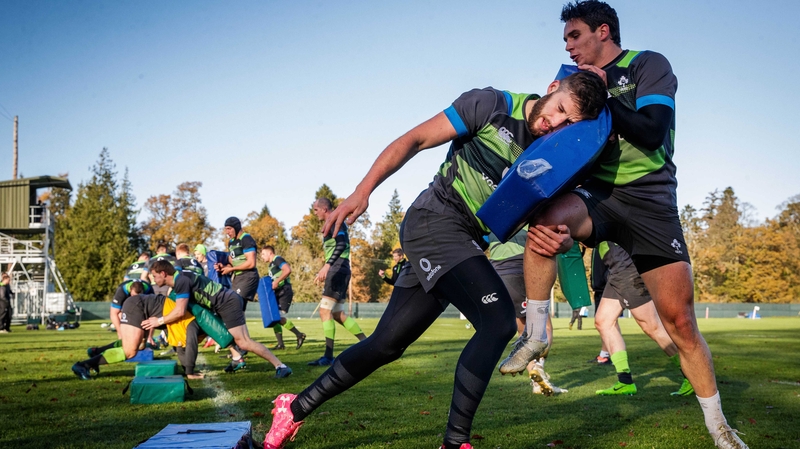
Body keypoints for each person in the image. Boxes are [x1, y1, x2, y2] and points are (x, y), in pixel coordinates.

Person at [262, 71, 607, 449]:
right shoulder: (491, 105)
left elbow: (550, 216)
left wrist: (558, 236)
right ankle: (455, 441)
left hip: (465, 240)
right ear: (552, 88)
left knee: (387, 344)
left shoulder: (554, 153)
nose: (553, 123)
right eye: (557, 109)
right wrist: (363, 192)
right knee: (497, 322)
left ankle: (293, 407)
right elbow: (415, 139)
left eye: (568, 122)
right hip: (435, 219)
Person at [500, 2, 747, 447]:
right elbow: (554, 143)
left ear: (603, 31)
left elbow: (652, 132)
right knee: (545, 221)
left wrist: (601, 94)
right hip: (599, 196)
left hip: (650, 199)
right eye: (565, 40)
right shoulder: (568, 80)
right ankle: (536, 332)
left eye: (575, 36)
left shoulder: (646, 64)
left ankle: (720, 428)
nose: (569, 46)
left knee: (679, 322)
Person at [145, 260, 292, 378]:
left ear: (163, 273)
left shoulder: (181, 281)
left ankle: (281, 366)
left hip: (226, 303)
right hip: (220, 303)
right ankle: (236, 359)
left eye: (154, 275)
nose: (153, 279)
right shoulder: (180, 277)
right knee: (201, 333)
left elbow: (179, 311)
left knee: (244, 342)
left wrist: (158, 321)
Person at [593, 241, 692, 396]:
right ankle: (625, 382)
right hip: (616, 270)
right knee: (603, 321)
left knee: (652, 326)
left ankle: (692, 376)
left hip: (626, 269)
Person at [488, 230, 565, 396]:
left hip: (498, 268)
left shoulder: (490, 208)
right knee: (544, 327)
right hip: (521, 262)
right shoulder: (524, 206)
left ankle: (536, 382)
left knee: (523, 330)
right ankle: (538, 368)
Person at [72, 284, 203, 379]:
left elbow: (180, 345)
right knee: (130, 351)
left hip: (141, 308)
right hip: (136, 306)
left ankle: (96, 353)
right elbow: (189, 344)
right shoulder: (191, 322)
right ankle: (83, 365)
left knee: (139, 346)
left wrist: (187, 370)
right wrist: (190, 373)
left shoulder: (188, 317)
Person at [307, 197, 367, 366]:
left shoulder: (335, 221)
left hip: (338, 268)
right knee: (337, 314)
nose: (315, 213)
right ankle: (367, 344)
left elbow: (341, 244)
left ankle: (328, 356)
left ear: (324, 209)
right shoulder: (333, 222)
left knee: (324, 311)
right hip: (341, 268)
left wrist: (327, 266)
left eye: (316, 210)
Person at [260, 246, 306, 350]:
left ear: (269, 253)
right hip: (278, 292)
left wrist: (276, 281)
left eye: (263, 254)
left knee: (279, 317)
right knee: (274, 317)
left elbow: (287, 270)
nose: (262, 257)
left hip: (284, 291)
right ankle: (280, 344)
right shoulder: (271, 265)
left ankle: (299, 335)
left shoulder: (277, 259)